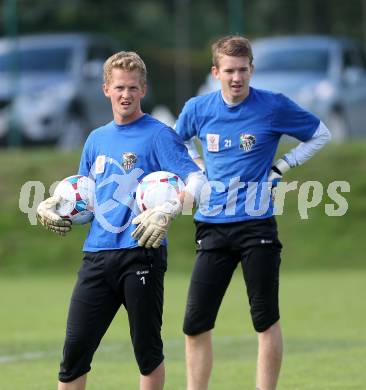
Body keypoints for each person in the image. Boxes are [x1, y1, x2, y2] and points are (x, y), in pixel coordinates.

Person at [36, 51, 205, 390]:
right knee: (73, 354)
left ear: (143, 89)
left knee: (147, 353)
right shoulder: (96, 139)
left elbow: (198, 180)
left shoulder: (159, 135)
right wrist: (51, 203)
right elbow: (82, 194)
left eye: (132, 87)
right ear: (106, 90)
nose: (125, 94)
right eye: (119, 88)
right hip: (97, 257)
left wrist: (170, 209)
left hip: (142, 253)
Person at [174, 35, 331, 390]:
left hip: (256, 226)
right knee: (195, 323)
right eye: (229, 70)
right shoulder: (198, 109)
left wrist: (282, 167)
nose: (236, 78)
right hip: (212, 227)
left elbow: (320, 134)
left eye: (243, 70)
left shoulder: (273, 106)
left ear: (252, 69)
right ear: (216, 72)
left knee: (265, 320)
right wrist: (196, 168)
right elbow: (175, 141)